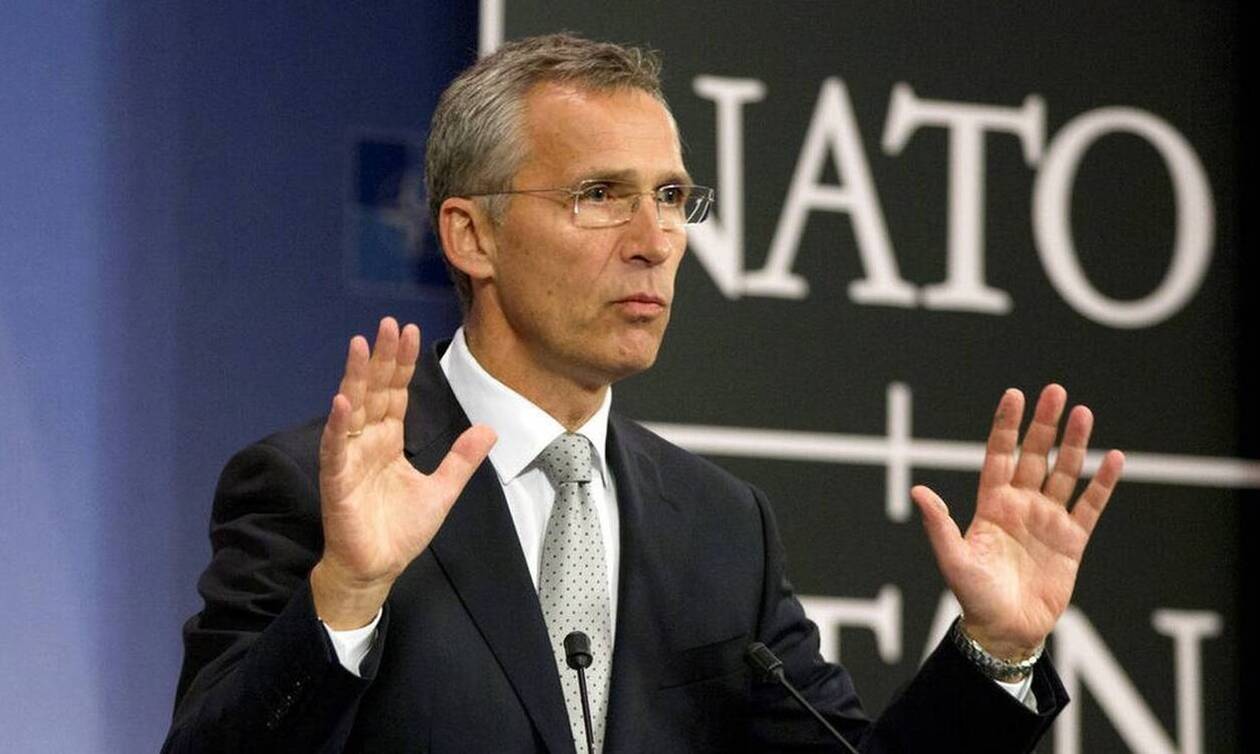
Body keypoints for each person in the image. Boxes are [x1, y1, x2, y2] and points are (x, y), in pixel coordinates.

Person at [164, 34, 1124, 753]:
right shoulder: (313, 490)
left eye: (671, 197)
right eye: (600, 195)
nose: (655, 240)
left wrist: (996, 651)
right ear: (470, 235)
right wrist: (347, 593)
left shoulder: (720, 528)